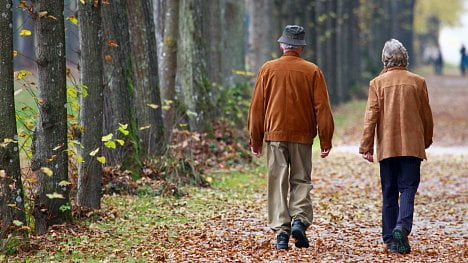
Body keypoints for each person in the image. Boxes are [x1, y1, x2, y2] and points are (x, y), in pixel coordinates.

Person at [248, 25, 334, 250]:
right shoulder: (312, 71)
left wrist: (255, 139)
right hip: (303, 136)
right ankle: (299, 220)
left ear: (282, 45)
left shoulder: (267, 69)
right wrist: (325, 140)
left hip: (274, 135)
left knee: (277, 180)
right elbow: (322, 108)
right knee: (301, 180)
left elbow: (257, 108)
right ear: (301, 48)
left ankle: (281, 232)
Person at [359, 39, 434, 254]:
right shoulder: (418, 82)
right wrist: (426, 139)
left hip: (388, 147)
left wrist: (366, 146)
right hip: (412, 146)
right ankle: (403, 227)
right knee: (408, 188)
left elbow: (371, 116)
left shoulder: (377, 83)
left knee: (389, 192)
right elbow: (426, 116)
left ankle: (391, 239)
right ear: (405, 58)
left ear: (385, 59)